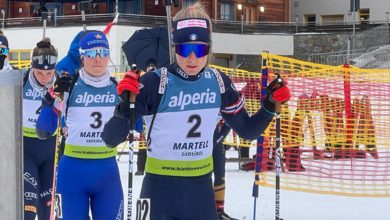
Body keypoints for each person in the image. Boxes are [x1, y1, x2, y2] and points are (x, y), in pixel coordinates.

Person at [102, 2, 290, 219]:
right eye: (184, 49)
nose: (192, 58)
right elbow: (109, 138)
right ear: (175, 48)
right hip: (159, 191)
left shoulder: (219, 83)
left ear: (209, 49)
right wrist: (125, 105)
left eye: (200, 49)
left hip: (200, 192)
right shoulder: (155, 83)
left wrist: (269, 104)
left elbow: (248, 131)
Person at [36, 30, 124, 219]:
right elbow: (44, 131)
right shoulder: (68, 87)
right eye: (91, 53)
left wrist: (133, 103)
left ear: (109, 56)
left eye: (103, 53)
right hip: (72, 174)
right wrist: (50, 100)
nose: (97, 59)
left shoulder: (118, 89)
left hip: (107, 173)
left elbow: (136, 124)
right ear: (82, 56)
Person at [23, 38, 58, 220]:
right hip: (26, 151)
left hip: (51, 151)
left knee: (49, 212)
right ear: (32, 67)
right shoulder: (20, 80)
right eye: (39, 73)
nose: (45, 78)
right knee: (27, 211)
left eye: (49, 73)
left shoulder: (61, 82)